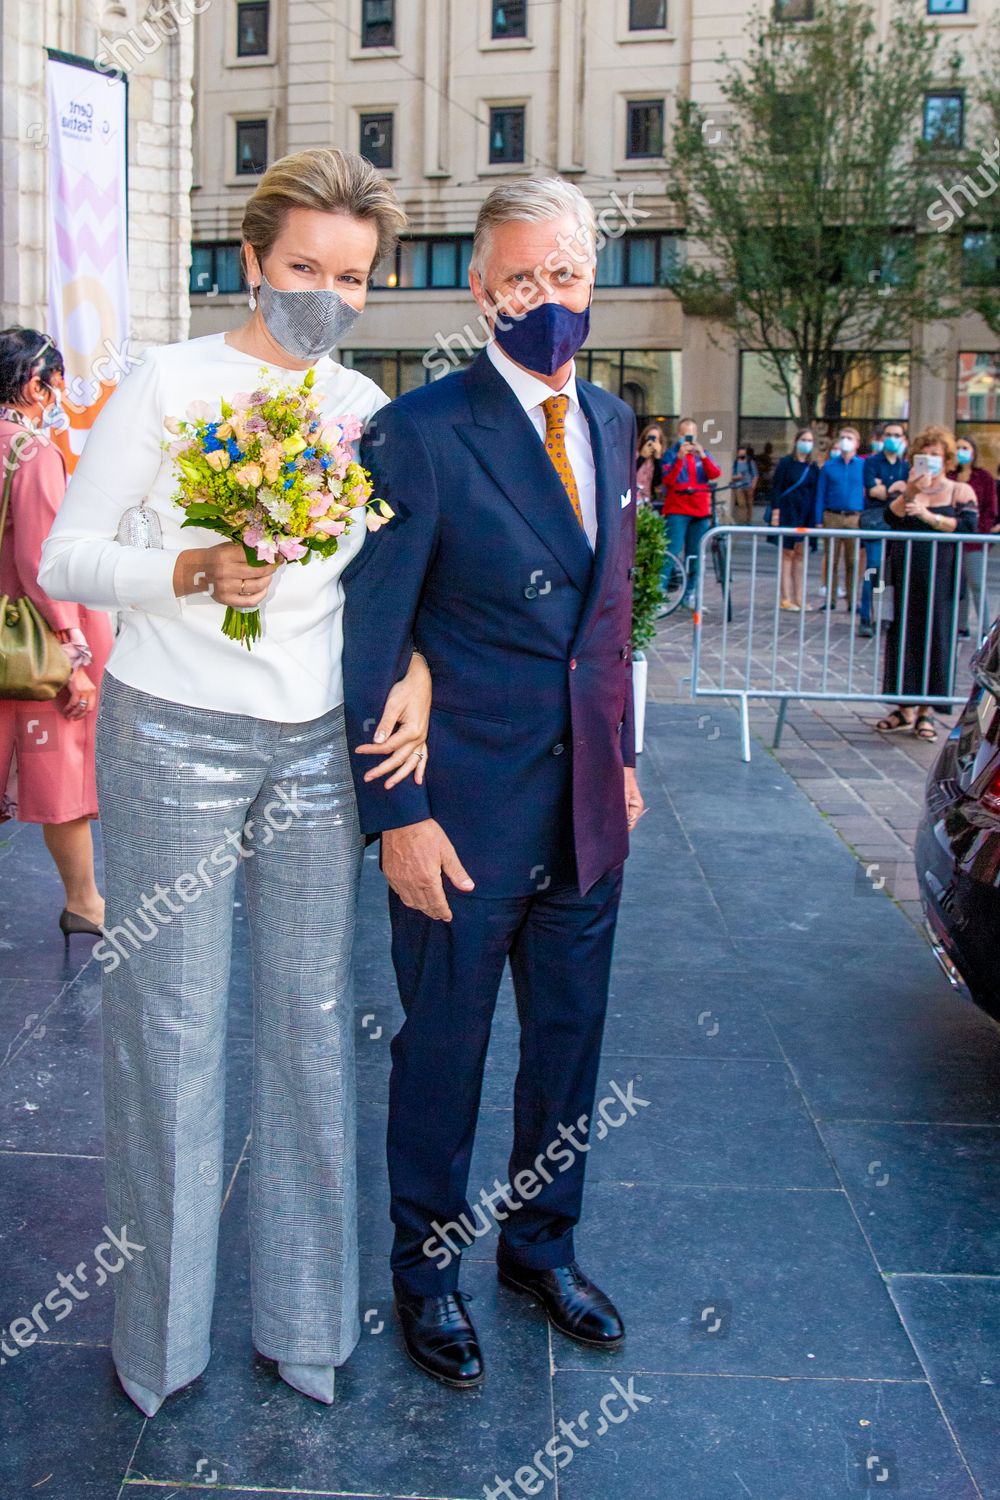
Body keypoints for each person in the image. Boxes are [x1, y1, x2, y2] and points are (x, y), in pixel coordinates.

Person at [38, 148, 431, 1417]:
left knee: (315, 1031)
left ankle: (308, 1326)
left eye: (352, 277)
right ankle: (158, 1343)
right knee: (169, 1033)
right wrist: (193, 571)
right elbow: (65, 554)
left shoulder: (365, 405)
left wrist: (416, 659)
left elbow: (384, 580)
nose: (324, 293)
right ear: (253, 260)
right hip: (171, 740)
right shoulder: (169, 379)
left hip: (319, 746)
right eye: (304, 267)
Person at [342, 176, 643, 1390]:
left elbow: (610, 620)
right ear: (481, 291)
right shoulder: (419, 431)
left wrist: (621, 761)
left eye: (564, 277)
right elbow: (373, 639)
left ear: (591, 283)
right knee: (445, 1055)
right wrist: (396, 818)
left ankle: (540, 1246)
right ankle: (427, 1275)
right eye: (521, 279)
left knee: (566, 1048)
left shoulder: (615, 425)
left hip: (586, 813)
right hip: (460, 817)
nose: (545, 300)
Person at [0, 329, 114, 940]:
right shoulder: (29, 450)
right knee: (59, 770)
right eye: (58, 380)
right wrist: (73, 652)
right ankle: (84, 903)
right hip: (27, 648)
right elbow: (41, 560)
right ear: (36, 384)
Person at [877, 425, 978, 742]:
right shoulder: (903, 486)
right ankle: (903, 707)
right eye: (925, 454)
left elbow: (967, 527)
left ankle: (927, 710)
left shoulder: (960, 491)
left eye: (936, 455)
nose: (931, 460)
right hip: (905, 571)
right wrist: (910, 492)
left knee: (938, 637)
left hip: (943, 573)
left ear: (947, 460)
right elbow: (890, 518)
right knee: (903, 633)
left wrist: (928, 515)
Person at [660, 417, 721, 609]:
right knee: (672, 551)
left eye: (692, 434)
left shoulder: (704, 455)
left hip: (700, 509)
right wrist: (679, 459)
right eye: (686, 433)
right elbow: (668, 480)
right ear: (679, 435)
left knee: (696, 554)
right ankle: (659, 594)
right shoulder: (670, 455)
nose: (689, 438)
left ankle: (690, 594)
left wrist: (702, 455)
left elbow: (714, 474)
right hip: (677, 509)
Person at [860, 420, 910, 638]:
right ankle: (866, 617)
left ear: (903, 440)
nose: (892, 438)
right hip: (876, 521)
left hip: (898, 524)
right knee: (873, 568)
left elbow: (906, 494)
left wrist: (887, 489)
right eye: (889, 434)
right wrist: (895, 491)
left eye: (897, 435)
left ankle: (884, 616)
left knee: (892, 572)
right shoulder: (871, 462)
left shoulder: (906, 467)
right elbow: (874, 491)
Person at [949, 435, 998, 639]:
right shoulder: (949, 476)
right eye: (958, 448)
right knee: (957, 585)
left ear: (973, 452)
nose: (961, 451)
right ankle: (961, 626)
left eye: (965, 448)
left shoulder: (984, 477)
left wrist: (980, 530)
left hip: (974, 540)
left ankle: (986, 631)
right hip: (951, 538)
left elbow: (990, 508)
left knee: (976, 583)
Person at [769, 428, 820, 610]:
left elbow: (815, 492)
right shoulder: (786, 463)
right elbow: (776, 487)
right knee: (787, 553)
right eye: (804, 439)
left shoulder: (813, 467)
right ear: (797, 441)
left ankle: (799, 597)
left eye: (810, 440)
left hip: (805, 513)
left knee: (800, 555)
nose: (806, 443)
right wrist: (776, 512)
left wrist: (815, 518)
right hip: (788, 511)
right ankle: (786, 597)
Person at [816, 424, 866, 610]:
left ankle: (853, 600)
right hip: (832, 516)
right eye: (843, 437)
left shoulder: (862, 465)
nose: (845, 441)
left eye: (850, 438)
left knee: (853, 561)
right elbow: (821, 493)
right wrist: (818, 520)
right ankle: (831, 599)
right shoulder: (829, 466)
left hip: (854, 517)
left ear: (857, 444)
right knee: (831, 560)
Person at [635, 422, 665, 508]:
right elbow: (628, 475)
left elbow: (657, 482)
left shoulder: (659, 459)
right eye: (649, 437)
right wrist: (642, 457)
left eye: (655, 439)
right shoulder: (634, 454)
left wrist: (657, 458)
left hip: (647, 500)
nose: (651, 442)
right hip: (633, 499)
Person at [731, 442, 759, 526]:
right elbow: (732, 476)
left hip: (749, 486)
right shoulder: (736, 463)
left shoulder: (750, 462)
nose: (742, 455)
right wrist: (737, 477)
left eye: (744, 453)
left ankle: (748, 522)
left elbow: (755, 475)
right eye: (741, 453)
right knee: (741, 505)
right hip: (739, 486)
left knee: (749, 504)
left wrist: (753, 485)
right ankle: (742, 522)